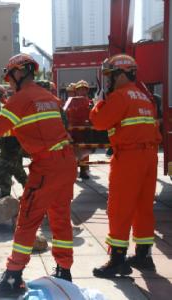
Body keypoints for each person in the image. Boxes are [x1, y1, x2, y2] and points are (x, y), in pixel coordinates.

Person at [0, 53, 77, 298]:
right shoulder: (48, 97)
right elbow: (33, 128)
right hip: (65, 161)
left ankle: (13, 278)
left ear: (19, 73)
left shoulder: (21, 98)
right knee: (60, 217)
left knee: (27, 219)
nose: (8, 83)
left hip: (47, 167)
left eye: (9, 78)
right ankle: (64, 271)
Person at [90, 54, 162, 278]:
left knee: (120, 207)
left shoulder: (120, 96)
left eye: (111, 76)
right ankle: (143, 255)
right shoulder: (144, 96)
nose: (108, 80)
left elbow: (99, 122)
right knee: (143, 207)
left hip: (129, 158)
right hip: (149, 157)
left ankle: (117, 260)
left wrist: (98, 103)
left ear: (122, 74)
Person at [0, 84, 27, 196]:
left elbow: (3, 131)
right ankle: (9, 199)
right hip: (4, 149)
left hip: (10, 148)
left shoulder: (1, 110)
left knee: (7, 176)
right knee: (8, 175)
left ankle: (8, 200)